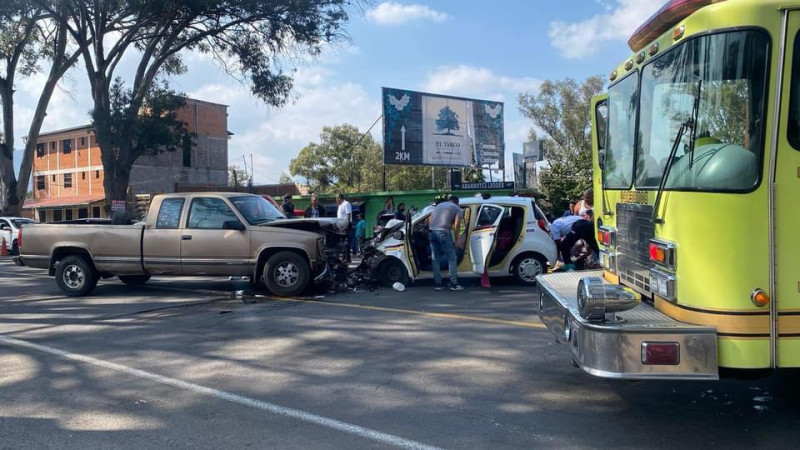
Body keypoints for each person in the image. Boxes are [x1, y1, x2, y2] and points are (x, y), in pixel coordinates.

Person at [428, 195, 463, 291]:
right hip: (443, 233)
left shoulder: (439, 206)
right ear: (457, 202)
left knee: (435, 258)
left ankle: (438, 284)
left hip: (432, 232)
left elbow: (429, 220)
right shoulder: (457, 208)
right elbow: (457, 224)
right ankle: (453, 284)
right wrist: (456, 240)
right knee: (452, 257)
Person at [337, 193, 353, 262]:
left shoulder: (346, 204)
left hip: (346, 225)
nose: (336, 201)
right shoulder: (340, 205)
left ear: (339, 198)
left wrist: (346, 225)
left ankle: (347, 258)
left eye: (336, 199)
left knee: (346, 242)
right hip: (341, 226)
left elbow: (348, 215)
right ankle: (344, 257)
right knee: (343, 242)